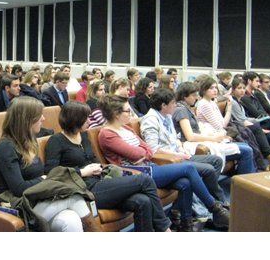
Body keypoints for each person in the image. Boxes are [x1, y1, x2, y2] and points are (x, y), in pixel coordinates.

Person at [97, 95, 229, 231]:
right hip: (135, 174)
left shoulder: (126, 128)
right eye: (127, 111)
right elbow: (136, 154)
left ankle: (186, 225)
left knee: (185, 183)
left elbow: (148, 149)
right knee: (188, 168)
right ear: (116, 114)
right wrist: (143, 153)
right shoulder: (107, 134)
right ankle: (215, 208)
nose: (130, 113)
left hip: (148, 166)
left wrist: (143, 153)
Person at [44, 101, 172, 232]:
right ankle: (164, 228)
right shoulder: (56, 141)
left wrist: (98, 167)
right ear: (75, 119)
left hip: (100, 181)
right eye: (86, 118)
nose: (89, 120)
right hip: (84, 190)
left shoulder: (83, 135)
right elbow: (51, 173)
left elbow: (92, 159)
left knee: (143, 201)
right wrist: (82, 172)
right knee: (144, 180)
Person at [0, 97, 95, 232]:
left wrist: (46, 180)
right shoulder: (6, 147)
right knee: (75, 196)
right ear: (27, 119)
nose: (43, 118)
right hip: (17, 205)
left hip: (37, 199)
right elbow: (18, 188)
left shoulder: (29, 140)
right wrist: (45, 179)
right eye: (39, 115)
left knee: (71, 219)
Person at [140, 88, 227, 203]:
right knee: (208, 169)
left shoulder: (167, 116)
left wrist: (181, 148)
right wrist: (177, 154)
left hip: (178, 153)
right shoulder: (150, 120)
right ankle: (217, 202)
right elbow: (154, 150)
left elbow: (175, 138)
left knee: (216, 160)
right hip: (168, 160)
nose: (175, 106)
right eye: (173, 103)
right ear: (163, 105)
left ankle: (205, 199)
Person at [173, 82, 256, 175]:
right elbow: (190, 136)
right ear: (185, 96)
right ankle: (243, 184)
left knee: (245, 145)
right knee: (247, 150)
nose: (196, 97)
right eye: (193, 95)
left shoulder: (185, 108)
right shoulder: (181, 110)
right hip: (193, 145)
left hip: (200, 141)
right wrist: (214, 138)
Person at [229, 77, 270, 169]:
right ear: (233, 90)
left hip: (252, 123)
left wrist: (259, 119)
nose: (242, 90)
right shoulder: (234, 102)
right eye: (239, 88)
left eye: (243, 88)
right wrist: (258, 121)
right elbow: (241, 120)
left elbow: (252, 115)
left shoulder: (241, 100)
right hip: (242, 127)